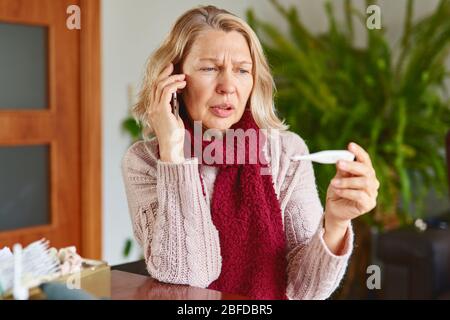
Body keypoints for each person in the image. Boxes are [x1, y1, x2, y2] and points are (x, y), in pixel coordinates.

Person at [121, 5, 379, 300]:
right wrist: (173, 154)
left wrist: (335, 223)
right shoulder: (145, 162)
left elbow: (306, 291)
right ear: (174, 80)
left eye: (242, 70)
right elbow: (188, 276)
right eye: (209, 68)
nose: (228, 86)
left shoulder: (287, 153)